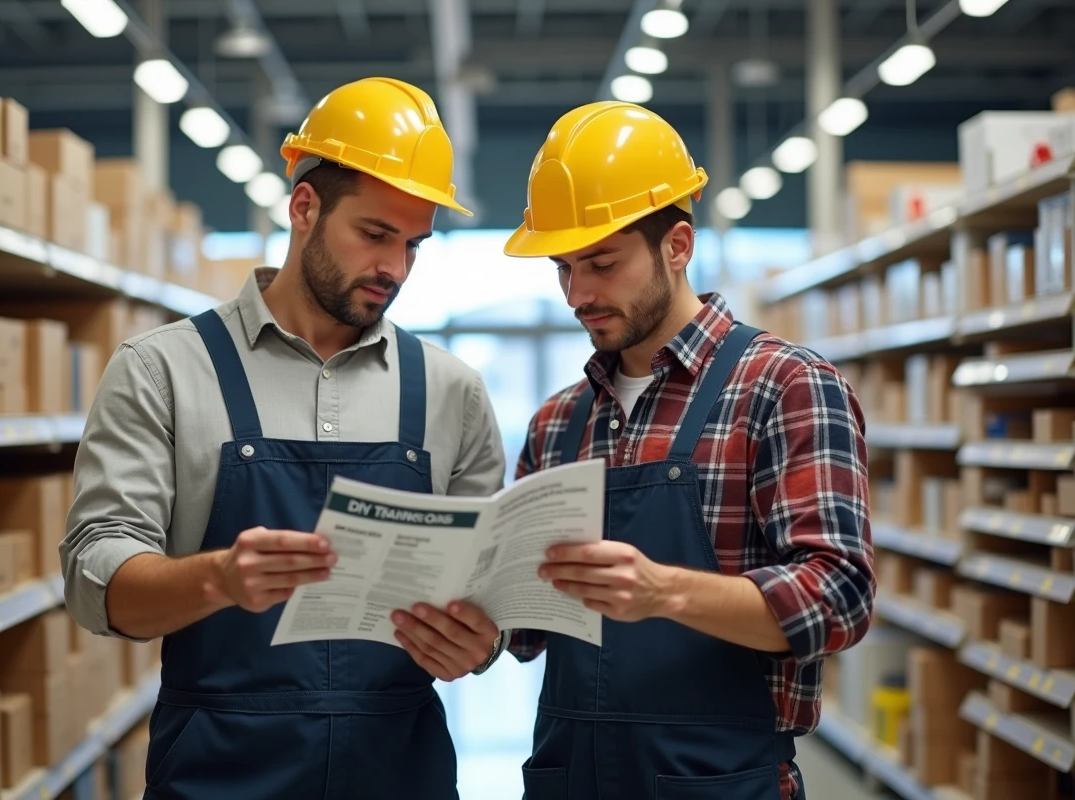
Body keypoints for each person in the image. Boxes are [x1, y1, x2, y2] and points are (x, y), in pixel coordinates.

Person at [61, 77, 510, 800]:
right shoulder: (165, 369)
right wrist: (217, 578)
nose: (394, 268)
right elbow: (93, 581)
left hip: (399, 770)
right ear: (304, 207)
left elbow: (491, 596)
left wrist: (485, 645)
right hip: (220, 771)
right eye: (373, 234)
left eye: (413, 244)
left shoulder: (452, 392)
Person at [502, 101, 876, 800]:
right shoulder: (558, 422)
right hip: (568, 774)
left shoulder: (785, 387)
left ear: (677, 245)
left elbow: (840, 599)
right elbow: (523, 626)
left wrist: (664, 591)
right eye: (562, 268)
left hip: (718, 778)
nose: (577, 294)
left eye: (602, 263)